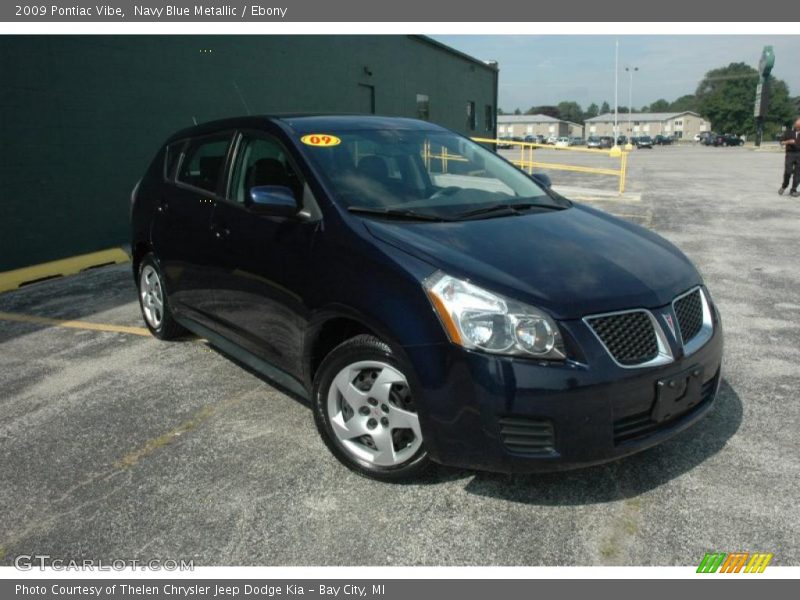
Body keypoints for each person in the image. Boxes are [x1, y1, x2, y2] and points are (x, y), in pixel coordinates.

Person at [779, 118, 800, 197]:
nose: (797, 127)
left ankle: (793, 190)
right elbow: (781, 142)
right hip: (790, 154)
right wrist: (788, 142)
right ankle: (784, 185)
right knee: (788, 171)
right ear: (795, 125)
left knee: (798, 174)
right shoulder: (788, 132)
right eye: (797, 125)